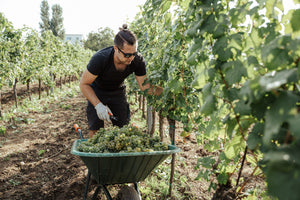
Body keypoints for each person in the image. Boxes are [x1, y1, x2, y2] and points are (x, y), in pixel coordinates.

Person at [80, 24, 162, 138]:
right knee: (95, 131)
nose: (131, 58)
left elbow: (145, 87)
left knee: (123, 130)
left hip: (117, 92)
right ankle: (96, 156)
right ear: (115, 49)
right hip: (97, 91)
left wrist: (167, 93)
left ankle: (120, 156)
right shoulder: (100, 59)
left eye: (134, 54)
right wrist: (98, 105)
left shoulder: (137, 60)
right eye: (127, 54)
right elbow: (84, 84)